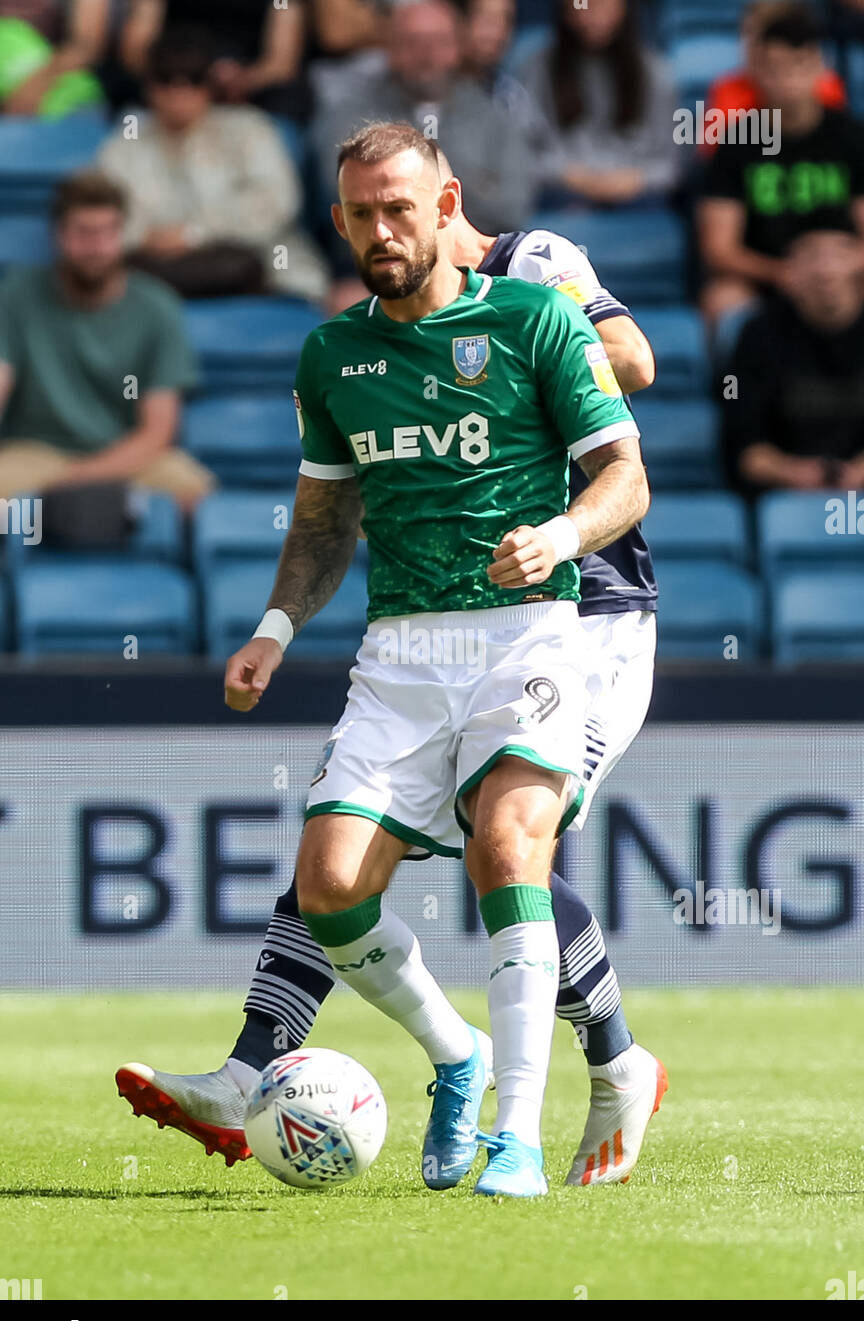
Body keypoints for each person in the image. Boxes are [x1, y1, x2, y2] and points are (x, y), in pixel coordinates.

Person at [118, 119, 656, 1201]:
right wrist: (273, 630)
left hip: (571, 619)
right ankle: (489, 1056)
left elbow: (629, 428)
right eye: (360, 215)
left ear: (448, 203)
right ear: (336, 222)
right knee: (331, 881)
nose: (382, 230)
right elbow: (323, 520)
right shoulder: (335, 352)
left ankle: (521, 1131)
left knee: (507, 840)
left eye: (401, 208)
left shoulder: (539, 292)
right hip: (407, 643)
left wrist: (554, 523)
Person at [0, 171, 213, 516]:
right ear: (58, 235)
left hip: (127, 457)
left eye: (107, 232)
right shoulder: (15, 296)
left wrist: (75, 480)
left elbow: (157, 432)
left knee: (195, 492)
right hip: (33, 453)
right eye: (83, 233)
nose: (96, 247)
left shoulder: (157, 307)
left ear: (122, 234)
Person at [98, 31, 329, 302]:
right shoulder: (125, 143)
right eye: (166, 79)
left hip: (253, 266)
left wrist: (194, 234)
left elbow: (276, 203)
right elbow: (100, 213)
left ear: (209, 86)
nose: (178, 92)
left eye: (193, 79)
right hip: (156, 272)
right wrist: (143, 237)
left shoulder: (249, 128)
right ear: (148, 86)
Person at [312, 2, 560, 247]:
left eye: (440, 41)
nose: (427, 55)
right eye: (413, 42)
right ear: (390, 50)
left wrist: (401, 194)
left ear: (459, 48)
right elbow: (344, 198)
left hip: (478, 266)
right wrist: (475, 184)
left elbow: (512, 208)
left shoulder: (494, 114)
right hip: (379, 262)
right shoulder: (350, 115)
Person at [699, 6, 864, 327]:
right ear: (755, 71)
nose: (788, 79)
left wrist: (836, 268)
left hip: (842, 274)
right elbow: (718, 248)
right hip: (766, 278)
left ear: (819, 66)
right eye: (775, 68)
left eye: (798, 65)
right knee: (722, 300)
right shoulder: (736, 143)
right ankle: (735, 380)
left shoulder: (852, 138)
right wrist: (780, 273)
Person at [727, 225, 864, 494]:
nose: (826, 268)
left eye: (840, 252)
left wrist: (859, 471)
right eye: (812, 254)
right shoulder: (755, 335)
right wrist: (792, 471)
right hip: (781, 493)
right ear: (790, 267)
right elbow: (737, 427)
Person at [518, 0, 680, 207]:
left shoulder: (657, 74)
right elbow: (521, 157)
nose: (591, 14)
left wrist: (634, 180)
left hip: (639, 202)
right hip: (559, 199)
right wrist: (570, 177)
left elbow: (672, 165)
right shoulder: (535, 70)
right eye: (582, 4)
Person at [703, 0, 846, 162]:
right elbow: (715, 157)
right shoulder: (726, 90)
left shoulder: (825, 86)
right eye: (747, 34)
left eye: (766, 36)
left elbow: (839, 145)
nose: (753, 46)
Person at [120, 0, 309, 120]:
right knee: (130, 120)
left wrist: (243, 79)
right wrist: (183, 79)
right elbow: (136, 53)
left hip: (257, 102)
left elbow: (282, 63)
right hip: (171, 87)